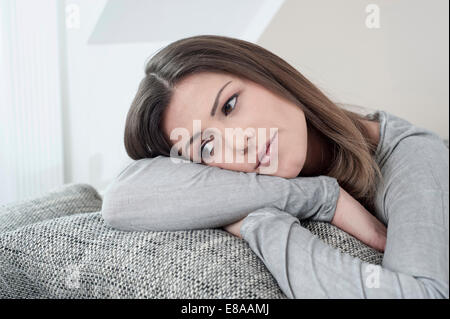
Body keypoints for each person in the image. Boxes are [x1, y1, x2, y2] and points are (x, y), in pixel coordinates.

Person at [101, 35, 448, 298]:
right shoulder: (271, 183)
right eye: (206, 146)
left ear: (266, 74)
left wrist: (262, 225)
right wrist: (319, 197)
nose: (239, 143)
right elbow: (121, 199)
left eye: (230, 105)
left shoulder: (416, 158)